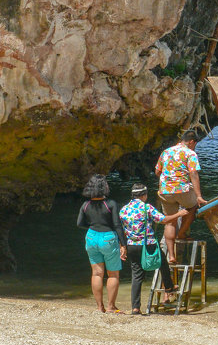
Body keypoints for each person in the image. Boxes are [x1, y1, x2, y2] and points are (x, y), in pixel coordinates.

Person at [119, 182, 181, 313]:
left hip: (131, 245)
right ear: (144, 195)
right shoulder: (146, 208)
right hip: (148, 244)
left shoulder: (124, 209)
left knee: (136, 276)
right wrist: (180, 214)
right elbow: (163, 220)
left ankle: (135, 307)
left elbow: (122, 228)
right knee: (162, 262)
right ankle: (169, 287)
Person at [77, 174, 126, 313]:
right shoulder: (110, 204)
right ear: (104, 187)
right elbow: (117, 225)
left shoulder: (85, 205)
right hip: (108, 237)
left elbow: (80, 223)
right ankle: (111, 306)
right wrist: (123, 244)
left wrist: (93, 225)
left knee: (97, 274)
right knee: (113, 274)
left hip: (91, 237)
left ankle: (100, 307)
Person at [155, 129, 205, 263]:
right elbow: (193, 174)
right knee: (193, 206)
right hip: (181, 190)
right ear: (192, 142)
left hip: (165, 191)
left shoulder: (166, 151)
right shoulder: (190, 153)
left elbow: (157, 171)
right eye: (195, 144)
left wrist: (168, 181)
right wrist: (198, 195)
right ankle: (182, 233)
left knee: (170, 221)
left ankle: (171, 256)